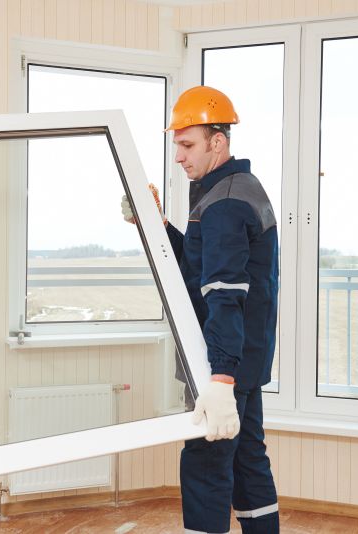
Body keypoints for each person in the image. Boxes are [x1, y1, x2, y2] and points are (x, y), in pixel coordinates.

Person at [122, 85, 280, 533]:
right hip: (243, 359)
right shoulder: (231, 191)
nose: (178, 157)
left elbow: (225, 294)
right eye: (177, 145)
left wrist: (221, 379)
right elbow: (198, 266)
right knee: (247, 461)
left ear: (218, 142)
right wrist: (155, 223)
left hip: (222, 363)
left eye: (188, 145)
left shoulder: (224, 203)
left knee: (206, 467)